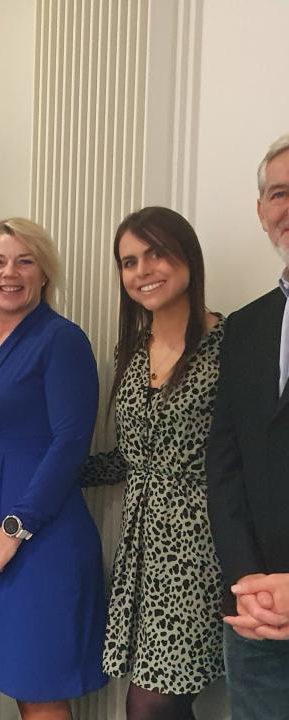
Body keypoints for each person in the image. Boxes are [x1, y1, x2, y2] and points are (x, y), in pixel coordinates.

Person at [0, 218, 107, 719]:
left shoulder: (62, 340)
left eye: (25, 260)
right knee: (19, 686)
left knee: (41, 691)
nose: (9, 273)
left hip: (41, 539)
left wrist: (15, 529)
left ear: (44, 273)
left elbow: (71, 443)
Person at [82, 207, 224, 719]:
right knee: (156, 701)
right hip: (141, 548)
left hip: (199, 548)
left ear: (187, 255)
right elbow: (133, 457)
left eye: (157, 253)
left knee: (150, 703)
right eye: (129, 261)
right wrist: (57, 472)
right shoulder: (133, 351)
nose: (143, 270)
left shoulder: (229, 345)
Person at [207, 133, 289, 717]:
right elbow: (225, 463)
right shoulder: (246, 327)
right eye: (280, 193)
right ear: (262, 212)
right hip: (254, 610)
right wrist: (249, 579)